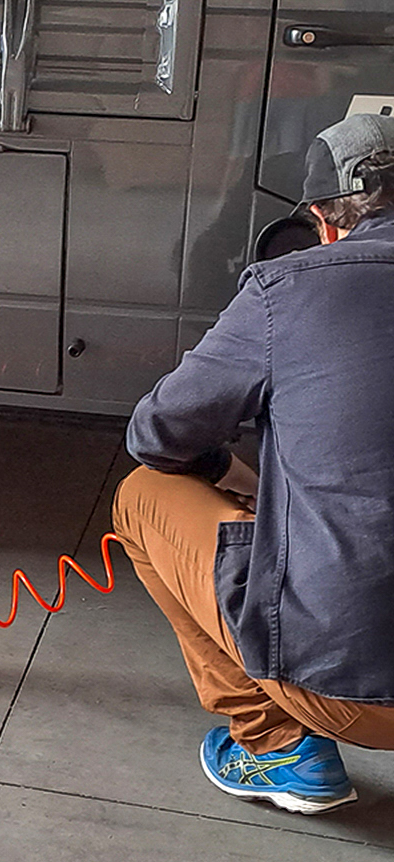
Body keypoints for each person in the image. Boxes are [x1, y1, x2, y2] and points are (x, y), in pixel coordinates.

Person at [112, 113, 394, 815]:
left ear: (323, 221)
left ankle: (278, 747)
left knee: (143, 496)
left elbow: (156, 435)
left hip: (350, 691)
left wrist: (232, 478)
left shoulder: (291, 287)